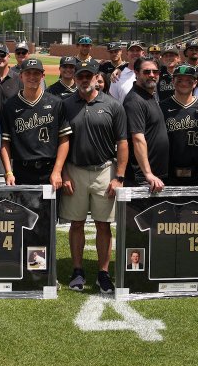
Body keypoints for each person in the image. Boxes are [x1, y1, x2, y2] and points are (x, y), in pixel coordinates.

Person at [61, 60, 128, 293]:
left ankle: (103, 273)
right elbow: (61, 142)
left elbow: (122, 142)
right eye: (80, 76)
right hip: (75, 170)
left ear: (96, 77)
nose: (84, 80)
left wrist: (119, 176)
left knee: (103, 224)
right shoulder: (66, 104)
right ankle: (77, 270)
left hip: (104, 170)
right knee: (76, 223)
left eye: (88, 76)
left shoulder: (112, 105)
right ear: (76, 78)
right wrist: (63, 172)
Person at [0, 58, 70, 188]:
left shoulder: (55, 103)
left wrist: (57, 171)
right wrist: (9, 172)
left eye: (36, 73)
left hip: (49, 171)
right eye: (28, 73)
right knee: (22, 209)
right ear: (21, 76)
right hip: (21, 171)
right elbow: (5, 142)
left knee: (50, 209)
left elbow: (64, 139)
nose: (32, 77)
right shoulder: (9, 105)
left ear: (43, 76)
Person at [123, 56, 168, 191]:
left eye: (155, 72)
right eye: (147, 72)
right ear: (136, 73)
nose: (152, 75)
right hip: (144, 179)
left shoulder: (149, 96)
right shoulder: (134, 101)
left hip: (155, 176)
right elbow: (137, 139)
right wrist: (148, 173)